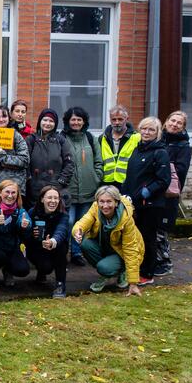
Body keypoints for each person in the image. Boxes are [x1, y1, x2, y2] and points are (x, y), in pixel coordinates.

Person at [120, 116, 171, 286]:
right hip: (134, 203)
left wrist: (144, 193)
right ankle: (136, 270)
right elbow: (131, 176)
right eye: (144, 129)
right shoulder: (138, 149)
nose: (146, 132)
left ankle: (148, 273)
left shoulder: (160, 152)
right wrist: (124, 195)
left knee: (147, 239)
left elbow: (163, 180)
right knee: (134, 238)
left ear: (157, 133)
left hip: (150, 206)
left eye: (151, 130)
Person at [72, 185, 144, 296]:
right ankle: (107, 272)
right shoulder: (95, 207)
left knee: (104, 267)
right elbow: (83, 221)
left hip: (123, 252)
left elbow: (131, 249)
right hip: (107, 247)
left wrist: (133, 282)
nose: (105, 206)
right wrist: (78, 231)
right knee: (85, 244)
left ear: (116, 202)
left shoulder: (126, 218)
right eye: (102, 201)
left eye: (109, 202)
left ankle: (120, 271)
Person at [61, 106, 103, 266]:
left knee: (82, 222)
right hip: (68, 191)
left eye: (79, 119)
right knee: (69, 221)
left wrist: (96, 177)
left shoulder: (91, 139)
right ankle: (64, 251)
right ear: (68, 121)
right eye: (73, 119)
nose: (76, 122)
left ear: (84, 121)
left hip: (88, 191)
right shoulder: (62, 138)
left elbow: (99, 161)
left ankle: (77, 253)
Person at [158, 110, 192, 276]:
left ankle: (164, 263)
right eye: (172, 120)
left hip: (168, 195)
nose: (174, 124)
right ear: (166, 121)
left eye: (179, 123)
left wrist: (162, 168)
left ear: (183, 127)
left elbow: (180, 171)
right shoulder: (158, 139)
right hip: (153, 192)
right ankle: (153, 260)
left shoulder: (183, 146)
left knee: (162, 230)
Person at [0, 179, 31, 290]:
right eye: (7, 192)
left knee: (23, 269)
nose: (10, 196)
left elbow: (26, 220)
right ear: (0, 193)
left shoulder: (20, 210)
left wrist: (25, 225)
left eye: (13, 193)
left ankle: (8, 271)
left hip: (12, 246)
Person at [25, 108, 75, 205]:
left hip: (56, 189)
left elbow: (69, 163)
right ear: (40, 121)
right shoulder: (31, 139)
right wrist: (29, 180)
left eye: (51, 121)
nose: (47, 123)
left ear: (55, 124)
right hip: (34, 190)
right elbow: (25, 162)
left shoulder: (61, 140)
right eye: (45, 120)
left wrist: (61, 181)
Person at [27, 186, 70, 298]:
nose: (53, 201)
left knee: (61, 249)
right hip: (38, 248)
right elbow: (25, 234)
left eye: (56, 198)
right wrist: (31, 233)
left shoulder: (63, 214)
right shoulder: (32, 212)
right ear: (42, 199)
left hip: (56, 246)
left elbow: (62, 230)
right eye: (49, 197)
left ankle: (60, 284)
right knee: (46, 268)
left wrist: (53, 241)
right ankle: (41, 272)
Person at [0, 105, 30, 199]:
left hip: (13, 189)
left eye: (4, 116)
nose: (1, 119)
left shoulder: (16, 136)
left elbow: (25, 160)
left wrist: (3, 158)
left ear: (9, 118)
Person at [99, 105, 140, 189]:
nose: (117, 122)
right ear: (110, 120)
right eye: (114, 119)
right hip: (106, 183)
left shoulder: (137, 137)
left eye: (120, 119)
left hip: (128, 182)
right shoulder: (102, 138)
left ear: (127, 119)